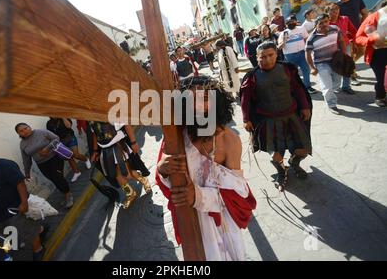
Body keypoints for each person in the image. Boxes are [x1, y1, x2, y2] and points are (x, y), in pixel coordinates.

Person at [156, 75, 256, 260]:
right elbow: (165, 180)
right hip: (190, 220)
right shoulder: (175, 138)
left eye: (205, 98)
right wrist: (162, 169)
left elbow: (238, 192)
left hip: (221, 224)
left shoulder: (229, 140)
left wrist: (198, 196)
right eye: (191, 99)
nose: (198, 106)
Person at [240, 42, 313, 191]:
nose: (267, 59)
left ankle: (294, 163)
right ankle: (282, 171)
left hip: (292, 116)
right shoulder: (251, 77)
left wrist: (305, 106)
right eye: (263, 57)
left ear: (276, 54)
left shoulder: (287, 69)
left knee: (302, 149)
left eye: (271, 55)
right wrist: (246, 119)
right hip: (268, 121)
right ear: (257, 57)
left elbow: (298, 89)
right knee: (275, 155)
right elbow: (245, 100)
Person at [90, 122, 151, 209]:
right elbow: (95, 134)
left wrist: (133, 142)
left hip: (118, 147)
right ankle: (130, 193)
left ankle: (143, 181)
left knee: (128, 173)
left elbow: (126, 124)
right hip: (105, 151)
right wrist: (95, 151)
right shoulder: (91, 118)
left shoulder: (111, 113)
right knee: (117, 176)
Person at [15, 123, 74, 208]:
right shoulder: (22, 144)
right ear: (19, 134)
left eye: (26, 128)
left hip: (54, 158)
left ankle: (68, 195)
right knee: (53, 179)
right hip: (41, 164)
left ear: (30, 127)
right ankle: (65, 194)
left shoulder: (41, 132)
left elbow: (56, 138)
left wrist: (47, 148)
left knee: (57, 177)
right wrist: (27, 172)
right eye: (21, 131)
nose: (25, 131)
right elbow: (26, 159)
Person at [306, 14, 345, 114]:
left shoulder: (335, 29)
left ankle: (329, 91)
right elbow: (308, 53)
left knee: (337, 82)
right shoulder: (311, 38)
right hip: (321, 64)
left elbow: (341, 41)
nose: (324, 24)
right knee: (327, 86)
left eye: (326, 21)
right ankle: (331, 104)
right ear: (316, 25)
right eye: (321, 23)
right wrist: (312, 68)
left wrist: (343, 56)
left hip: (335, 61)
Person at [336, 0, 368, 85]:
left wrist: (363, 26)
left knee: (362, 51)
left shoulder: (358, 0)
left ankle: (351, 66)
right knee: (350, 54)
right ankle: (352, 74)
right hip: (345, 35)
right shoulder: (336, 6)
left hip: (358, 31)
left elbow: (364, 14)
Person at [355, 1, 387, 107]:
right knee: (381, 79)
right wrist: (373, 39)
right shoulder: (372, 18)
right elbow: (358, 38)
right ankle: (380, 97)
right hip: (378, 54)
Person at [278, 15, 317, 94]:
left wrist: (310, 50)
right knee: (292, 73)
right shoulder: (283, 33)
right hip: (290, 56)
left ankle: (307, 87)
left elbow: (306, 39)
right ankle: (294, 88)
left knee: (306, 70)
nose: (291, 23)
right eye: (289, 22)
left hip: (302, 53)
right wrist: (284, 40)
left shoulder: (301, 28)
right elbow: (279, 47)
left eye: (293, 21)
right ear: (286, 24)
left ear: (296, 21)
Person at [46, 117, 91, 183]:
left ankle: (86, 159)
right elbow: (50, 134)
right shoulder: (49, 123)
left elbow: (69, 126)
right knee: (68, 156)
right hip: (61, 142)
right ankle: (77, 172)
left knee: (75, 154)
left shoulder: (64, 118)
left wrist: (62, 117)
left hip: (70, 138)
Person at [327, 2, 358, 95]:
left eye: (337, 9)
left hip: (346, 45)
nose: (335, 11)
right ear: (328, 11)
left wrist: (354, 42)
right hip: (332, 48)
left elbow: (353, 31)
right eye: (332, 10)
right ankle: (334, 87)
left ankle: (346, 86)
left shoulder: (345, 19)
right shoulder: (326, 22)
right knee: (334, 68)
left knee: (347, 65)